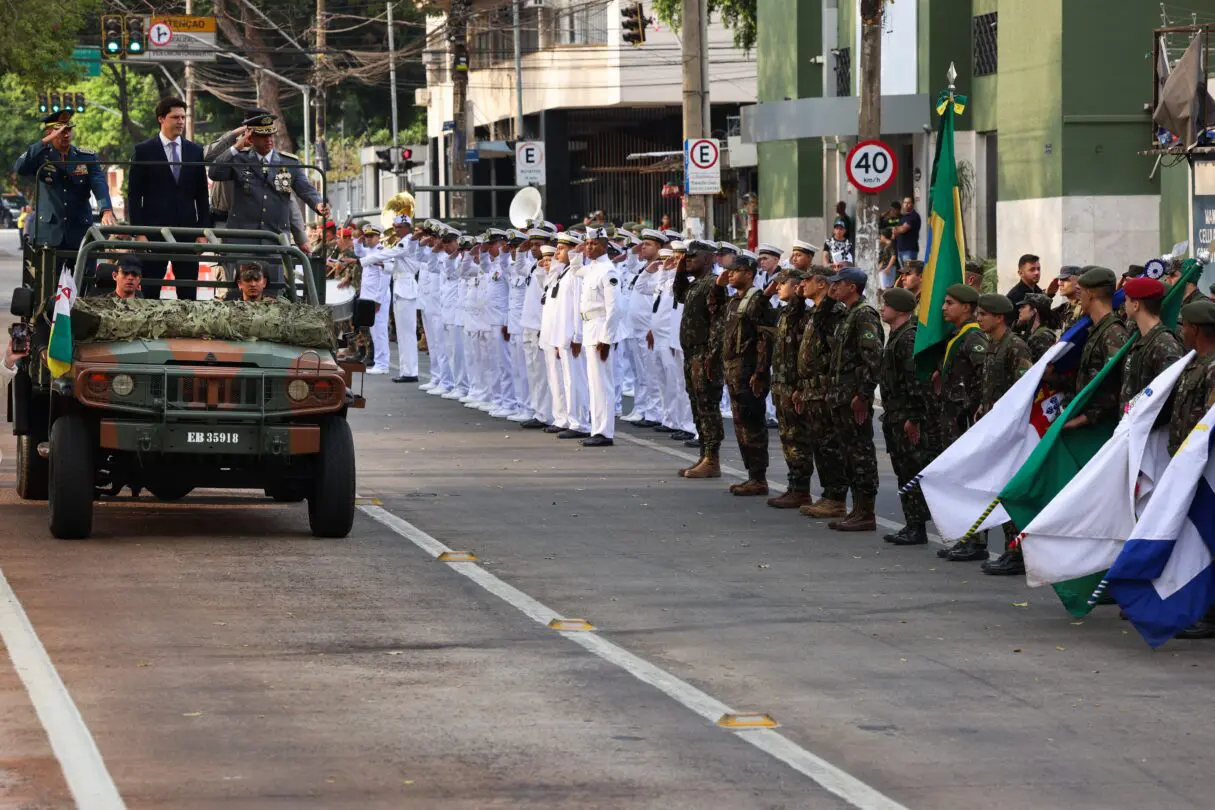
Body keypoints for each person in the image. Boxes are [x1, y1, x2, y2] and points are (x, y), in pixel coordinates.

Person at [207, 109, 329, 286]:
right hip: (242, 240)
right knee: (240, 291)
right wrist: (237, 146)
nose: (269, 140)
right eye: (262, 136)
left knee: (273, 289)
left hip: (275, 238)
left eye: (271, 135)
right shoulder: (239, 159)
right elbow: (215, 172)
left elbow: (305, 189)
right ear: (251, 136)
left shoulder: (289, 163)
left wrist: (318, 203)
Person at [127, 97, 212, 300]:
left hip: (187, 232)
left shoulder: (195, 151)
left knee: (188, 292)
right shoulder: (144, 151)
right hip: (153, 233)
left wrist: (202, 231)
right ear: (161, 119)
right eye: (175, 117)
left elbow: (202, 194)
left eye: (183, 117)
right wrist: (139, 232)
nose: (181, 122)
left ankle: (187, 332)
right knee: (150, 290)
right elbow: (134, 195)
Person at [819, 266, 883, 531]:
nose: (833, 288)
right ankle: (857, 509)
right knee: (848, 454)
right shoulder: (847, 314)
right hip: (841, 397)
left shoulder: (864, 315)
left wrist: (864, 395)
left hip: (853, 398)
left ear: (852, 287)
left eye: (839, 284)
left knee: (860, 454)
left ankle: (866, 511)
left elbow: (872, 358)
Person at [974, 293, 1033, 573]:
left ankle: (1018, 552)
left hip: (1011, 431)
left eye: (983, 314)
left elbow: (1024, 388)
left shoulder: (1015, 346)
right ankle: (1013, 549)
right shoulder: (991, 344)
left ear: (999, 317)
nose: (978, 318)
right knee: (999, 489)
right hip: (993, 427)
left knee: (1011, 491)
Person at [1167, 299, 1215, 639]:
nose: (1181, 330)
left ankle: (1210, 614)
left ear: (1196, 329)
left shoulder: (1213, 368)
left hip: (1206, 469)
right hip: (1189, 466)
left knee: (1208, 538)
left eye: (1183, 324)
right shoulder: (1195, 363)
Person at [933, 283, 991, 561]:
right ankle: (967, 537)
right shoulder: (958, 336)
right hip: (953, 420)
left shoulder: (973, 338)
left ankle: (976, 540)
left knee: (970, 480)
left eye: (949, 303)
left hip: (965, 419)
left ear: (966, 308)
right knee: (958, 480)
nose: (943, 308)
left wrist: (974, 406)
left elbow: (985, 372)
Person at [792, 267, 850, 518]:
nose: (802, 285)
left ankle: (836, 497)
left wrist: (829, 388)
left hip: (824, 388)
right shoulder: (816, 312)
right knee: (819, 444)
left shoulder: (833, 313)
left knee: (830, 445)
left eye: (807, 281)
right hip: (811, 388)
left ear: (822, 284)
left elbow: (834, 353)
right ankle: (828, 495)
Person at [13, 110, 115, 251]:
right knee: (48, 273)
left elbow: (99, 184)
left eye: (68, 130)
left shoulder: (85, 157)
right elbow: (19, 168)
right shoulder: (41, 157)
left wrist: (106, 209)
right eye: (60, 131)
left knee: (84, 273)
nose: (66, 134)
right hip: (49, 233)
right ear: (49, 133)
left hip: (80, 232)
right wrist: (43, 143)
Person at [879, 287, 932, 546]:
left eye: (886, 305)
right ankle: (912, 523)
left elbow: (915, 382)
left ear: (900, 310)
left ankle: (917, 526)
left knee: (911, 469)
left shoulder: (907, 338)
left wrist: (914, 418)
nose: (882, 308)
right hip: (896, 414)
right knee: (904, 470)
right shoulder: (897, 335)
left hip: (905, 415)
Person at [720, 251, 774, 494]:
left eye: (736, 270)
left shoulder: (758, 301)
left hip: (749, 371)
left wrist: (760, 372)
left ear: (749, 274)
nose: (730, 274)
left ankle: (758, 477)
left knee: (753, 424)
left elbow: (764, 340)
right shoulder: (733, 301)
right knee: (741, 424)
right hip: (733, 371)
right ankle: (751, 474)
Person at [676, 239, 727, 478]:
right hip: (691, 354)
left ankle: (712, 458)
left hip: (704, 355)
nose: (688, 260)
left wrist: (712, 357)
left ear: (707, 259)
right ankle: (704, 455)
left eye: (692, 257)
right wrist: (679, 272)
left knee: (707, 407)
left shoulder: (713, 285)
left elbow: (718, 324)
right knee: (697, 405)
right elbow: (679, 296)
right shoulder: (696, 284)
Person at [767, 268, 816, 509]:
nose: (777, 287)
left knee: (798, 439)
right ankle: (794, 486)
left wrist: (798, 387)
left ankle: (801, 489)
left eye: (782, 283)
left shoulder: (801, 314)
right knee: (788, 438)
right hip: (781, 385)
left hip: (794, 387)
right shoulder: (783, 313)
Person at [1062, 267, 1130, 431]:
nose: (1079, 297)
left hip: (1101, 426)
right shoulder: (1097, 329)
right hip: (1088, 420)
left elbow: (1118, 385)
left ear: (1091, 294)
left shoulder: (1113, 333)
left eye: (1081, 291)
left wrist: (1085, 418)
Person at [577, 227, 623, 447]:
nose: (588, 247)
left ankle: (604, 432)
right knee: (593, 383)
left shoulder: (608, 270)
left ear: (604, 246)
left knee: (602, 383)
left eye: (593, 244)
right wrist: (578, 250)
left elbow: (614, 308)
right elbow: (575, 268)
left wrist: (606, 338)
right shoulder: (591, 268)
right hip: (589, 328)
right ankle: (597, 428)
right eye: (587, 243)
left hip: (600, 330)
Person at [1119, 276, 1184, 411]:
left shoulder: (1164, 344)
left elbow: (1171, 394)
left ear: (1136, 305)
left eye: (1126, 300)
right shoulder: (1139, 337)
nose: (1124, 305)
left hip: (1151, 428)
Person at [357, 228, 391, 373]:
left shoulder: (382, 252)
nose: (368, 239)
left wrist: (378, 300)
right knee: (374, 331)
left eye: (372, 236)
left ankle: (382, 364)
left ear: (378, 237)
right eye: (367, 236)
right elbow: (358, 252)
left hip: (377, 298)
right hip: (368, 297)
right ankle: (379, 362)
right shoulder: (369, 251)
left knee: (380, 331)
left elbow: (385, 278)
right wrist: (358, 242)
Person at [1017, 293, 1058, 362]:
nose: (1019, 310)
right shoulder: (1034, 333)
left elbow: (1046, 367)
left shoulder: (1043, 336)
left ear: (1034, 311)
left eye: (1023, 307)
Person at [1052, 265, 1084, 332]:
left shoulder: (1086, 309)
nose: (1060, 283)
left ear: (1079, 282)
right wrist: (1048, 294)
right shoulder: (1064, 308)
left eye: (1065, 280)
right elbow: (1042, 318)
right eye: (1060, 280)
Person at [893, 197, 921, 264]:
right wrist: (898, 228)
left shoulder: (914, 216)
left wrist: (899, 228)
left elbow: (903, 230)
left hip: (909, 250)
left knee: (909, 272)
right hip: (900, 250)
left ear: (912, 204)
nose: (906, 204)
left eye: (908, 203)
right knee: (904, 273)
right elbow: (895, 231)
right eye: (905, 202)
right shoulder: (903, 217)